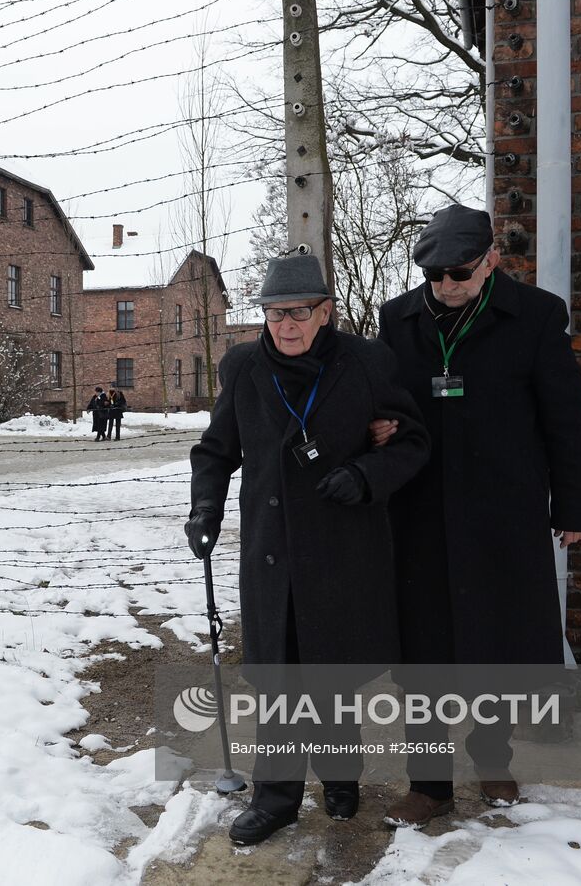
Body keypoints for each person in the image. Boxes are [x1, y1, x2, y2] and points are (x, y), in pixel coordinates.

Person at [187, 253, 430, 846]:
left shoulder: (366, 363)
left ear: (325, 312)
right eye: (272, 314)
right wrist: (205, 509)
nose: (283, 326)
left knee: (334, 675)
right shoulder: (243, 368)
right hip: (273, 553)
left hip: (343, 547)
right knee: (279, 681)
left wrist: (367, 475)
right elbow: (217, 451)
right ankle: (276, 800)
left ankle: (341, 777)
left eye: (296, 313)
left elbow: (413, 441)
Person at [372, 204, 581, 827]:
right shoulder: (399, 320)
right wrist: (377, 428)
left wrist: (573, 505)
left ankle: (492, 754)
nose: (445, 286)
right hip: (419, 513)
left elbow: (566, 420)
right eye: (434, 275)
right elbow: (380, 399)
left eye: (459, 274)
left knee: (494, 642)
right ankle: (429, 782)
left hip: (503, 509)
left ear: (491, 259)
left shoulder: (537, 316)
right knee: (424, 651)